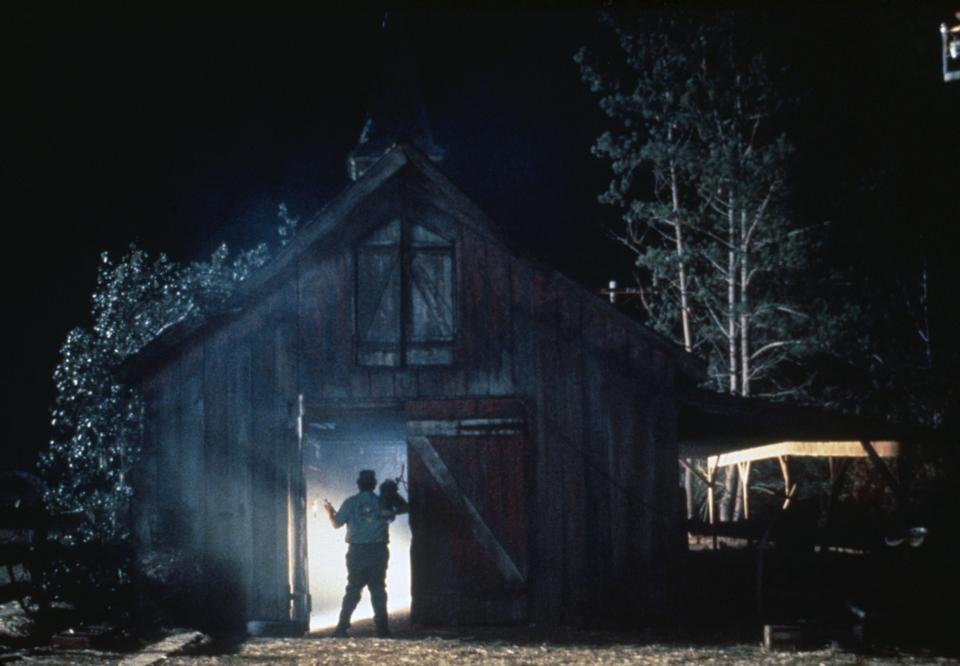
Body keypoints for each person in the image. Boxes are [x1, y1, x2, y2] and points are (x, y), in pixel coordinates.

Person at [322, 469, 407, 638]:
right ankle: (382, 629)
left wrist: (330, 511)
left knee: (353, 589)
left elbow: (336, 524)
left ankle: (342, 627)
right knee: (378, 589)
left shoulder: (350, 503)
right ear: (374, 485)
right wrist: (392, 494)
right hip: (378, 550)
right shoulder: (382, 503)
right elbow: (400, 510)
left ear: (358, 484)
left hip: (357, 552)